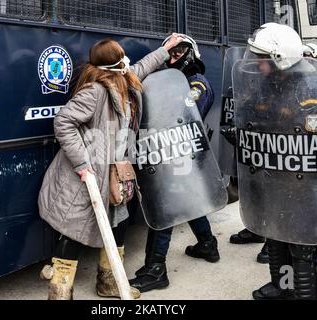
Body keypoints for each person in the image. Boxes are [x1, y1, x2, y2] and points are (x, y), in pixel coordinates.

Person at [37, 34, 185, 300]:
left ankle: (109, 283)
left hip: (117, 172)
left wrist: (165, 51)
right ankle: (60, 292)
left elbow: (142, 67)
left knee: (118, 225)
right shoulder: (95, 92)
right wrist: (83, 163)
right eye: (121, 56)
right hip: (88, 175)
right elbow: (63, 123)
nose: (126, 61)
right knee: (75, 232)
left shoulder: (125, 80)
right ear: (113, 64)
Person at [233, 23, 317, 300]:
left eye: (261, 58)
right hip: (271, 175)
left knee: (300, 241)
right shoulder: (268, 83)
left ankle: (305, 292)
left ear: (280, 59)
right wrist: (242, 132)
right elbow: (250, 112)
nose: (256, 63)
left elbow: (313, 138)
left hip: (299, 181)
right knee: (274, 232)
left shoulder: (309, 86)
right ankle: (281, 285)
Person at [129, 35, 220, 293]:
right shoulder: (172, 82)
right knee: (188, 199)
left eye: (179, 53)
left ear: (191, 54)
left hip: (181, 152)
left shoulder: (196, 83)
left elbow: (186, 113)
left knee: (166, 208)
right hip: (174, 153)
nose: (173, 58)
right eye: (171, 53)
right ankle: (207, 244)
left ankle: (156, 269)